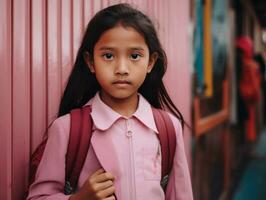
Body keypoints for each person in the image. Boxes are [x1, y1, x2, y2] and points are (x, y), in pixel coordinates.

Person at [27, 3, 193, 200]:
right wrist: (79, 199)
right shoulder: (66, 129)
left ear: (150, 62)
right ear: (90, 62)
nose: (122, 68)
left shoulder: (168, 128)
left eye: (134, 56)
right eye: (108, 55)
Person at [236, 36, 261, 145]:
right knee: (248, 122)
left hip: (244, 95)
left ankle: (246, 142)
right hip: (247, 96)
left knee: (247, 122)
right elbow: (255, 86)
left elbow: (255, 86)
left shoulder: (250, 65)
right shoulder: (252, 65)